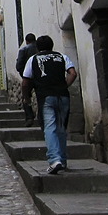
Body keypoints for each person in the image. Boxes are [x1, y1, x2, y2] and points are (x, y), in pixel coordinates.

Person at [21, 35, 77, 175]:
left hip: (46, 97)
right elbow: (73, 73)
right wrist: (65, 85)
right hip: (63, 96)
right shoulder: (61, 56)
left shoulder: (33, 59)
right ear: (52, 46)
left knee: (50, 127)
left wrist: (26, 98)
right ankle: (62, 160)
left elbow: (25, 82)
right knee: (61, 128)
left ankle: (54, 160)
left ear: (37, 48)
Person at [16, 33, 38, 127]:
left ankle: (29, 117)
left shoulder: (23, 50)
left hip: (28, 78)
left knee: (26, 97)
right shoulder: (39, 49)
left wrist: (23, 74)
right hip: (40, 77)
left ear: (26, 41)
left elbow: (19, 65)